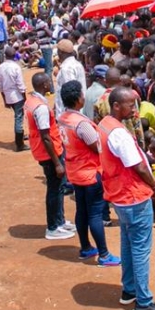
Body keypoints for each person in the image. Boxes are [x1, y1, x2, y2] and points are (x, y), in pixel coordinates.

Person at [96, 87, 155, 310]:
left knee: (128, 242)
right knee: (140, 248)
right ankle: (144, 302)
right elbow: (136, 165)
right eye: (130, 105)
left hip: (119, 194)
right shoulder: (118, 133)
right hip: (132, 195)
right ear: (116, 105)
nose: (134, 110)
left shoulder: (105, 124)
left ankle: (129, 290)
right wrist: (153, 183)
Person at [58, 80, 121, 266]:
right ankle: (103, 255)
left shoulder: (63, 118)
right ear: (78, 99)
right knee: (94, 213)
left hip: (75, 171)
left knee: (82, 210)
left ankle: (85, 247)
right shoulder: (81, 123)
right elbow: (97, 146)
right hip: (90, 172)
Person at [25, 73, 73, 241]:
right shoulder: (41, 108)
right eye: (49, 82)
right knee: (55, 189)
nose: (51, 84)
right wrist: (57, 163)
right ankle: (53, 227)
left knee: (57, 188)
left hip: (44, 150)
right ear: (44, 85)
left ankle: (60, 221)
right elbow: (45, 136)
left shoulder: (32, 101)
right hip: (49, 153)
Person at [0, 46, 27, 152]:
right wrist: (24, 97)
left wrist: (4, 99)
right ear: (14, 56)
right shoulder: (16, 67)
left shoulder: (0, 67)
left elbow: (0, 86)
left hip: (8, 96)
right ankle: (19, 144)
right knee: (19, 118)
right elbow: (20, 85)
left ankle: (20, 136)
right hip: (17, 96)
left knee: (18, 116)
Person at [54, 39, 85, 117]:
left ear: (60, 52)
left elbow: (71, 94)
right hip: (76, 110)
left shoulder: (66, 68)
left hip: (69, 114)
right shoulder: (77, 64)